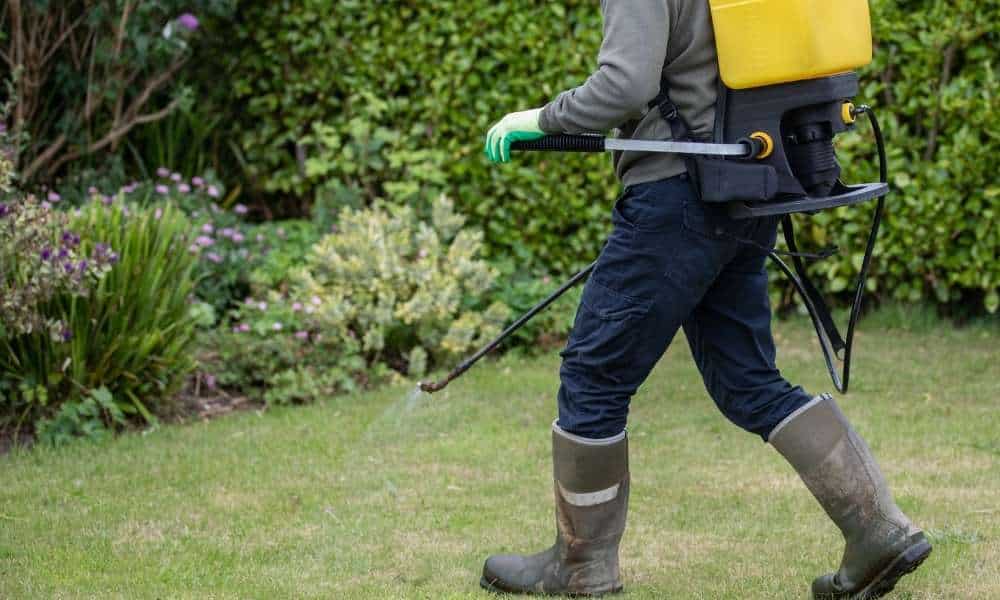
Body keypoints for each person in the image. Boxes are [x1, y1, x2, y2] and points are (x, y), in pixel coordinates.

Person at [480, 2, 931, 598]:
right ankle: (877, 529)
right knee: (747, 379)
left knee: (594, 376)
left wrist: (538, 119)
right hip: (751, 183)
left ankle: (581, 567)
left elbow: (624, 84)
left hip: (676, 193)